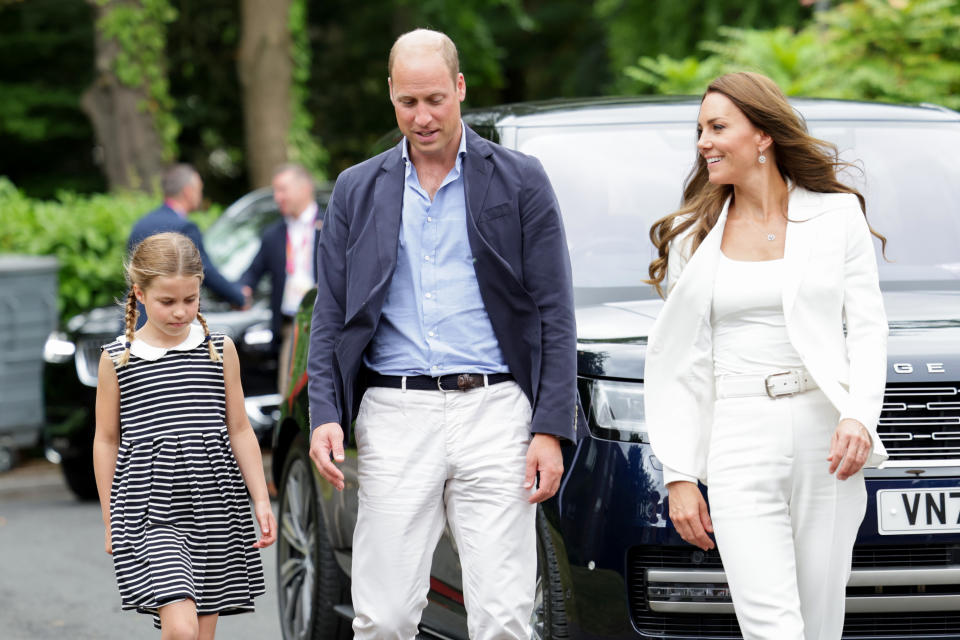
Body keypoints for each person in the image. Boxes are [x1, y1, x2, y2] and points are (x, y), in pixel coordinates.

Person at [306, 28, 582, 640]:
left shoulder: (519, 180)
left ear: (459, 88)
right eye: (408, 102)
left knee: (505, 618)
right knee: (384, 618)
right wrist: (324, 411)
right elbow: (333, 311)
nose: (423, 116)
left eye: (435, 99)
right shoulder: (357, 188)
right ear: (391, 95)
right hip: (396, 412)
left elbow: (554, 311)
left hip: (495, 412)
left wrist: (549, 428)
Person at [643, 71, 888, 639]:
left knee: (820, 626)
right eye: (699, 128)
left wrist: (859, 416)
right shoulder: (691, 234)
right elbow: (683, 363)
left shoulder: (836, 215)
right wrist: (680, 474)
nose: (703, 141)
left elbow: (869, 329)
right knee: (772, 627)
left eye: (717, 126)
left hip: (825, 437)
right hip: (737, 436)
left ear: (763, 136)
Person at [93, 232, 276, 638]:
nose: (180, 312)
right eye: (167, 302)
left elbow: (240, 429)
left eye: (190, 300)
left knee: (200, 634)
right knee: (181, 629)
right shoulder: (118, 359)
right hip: (150, 511)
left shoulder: (218, 349)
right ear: (140, 294)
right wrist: (110, 519)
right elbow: (106, 440)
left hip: (215, 507)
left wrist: (260, 498)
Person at [128, 164, 247, 328]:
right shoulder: (185, 228)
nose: (200, 195)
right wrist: (238, 297)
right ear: (188, 191)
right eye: (199, 189)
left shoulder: (141, 224)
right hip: (172, 324)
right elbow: (205, 271)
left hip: (138, 319)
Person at [240, 163, 321, 396]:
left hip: (326, 321)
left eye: (283, 190)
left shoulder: (331, 223)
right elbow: (252, 274)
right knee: (290, 394)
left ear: (304, 188)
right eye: (276, 191)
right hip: (292, 326)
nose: (278, 197)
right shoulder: (274, 234)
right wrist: (240, 293)